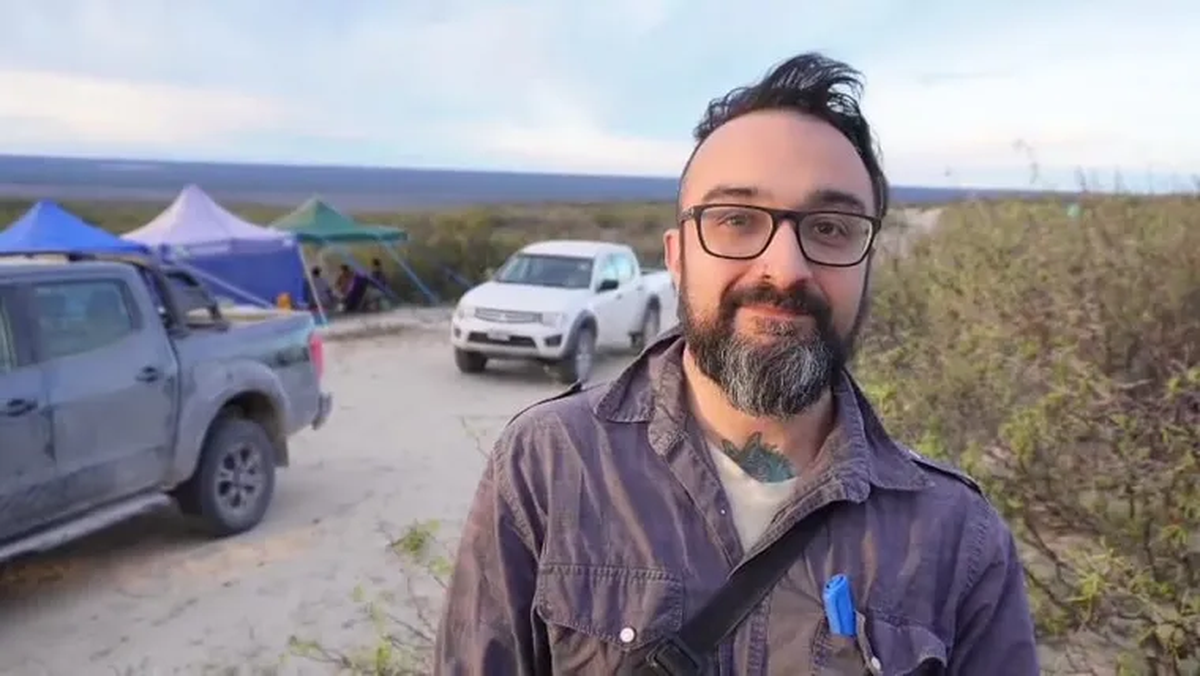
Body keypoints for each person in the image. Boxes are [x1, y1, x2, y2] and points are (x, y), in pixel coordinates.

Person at [434, 52, 1039, 675]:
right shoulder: (550, 464)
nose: (785, 268)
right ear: (676, 255)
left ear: (866, 261)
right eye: (735, 220)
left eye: (831, 227)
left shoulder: (957, 538)